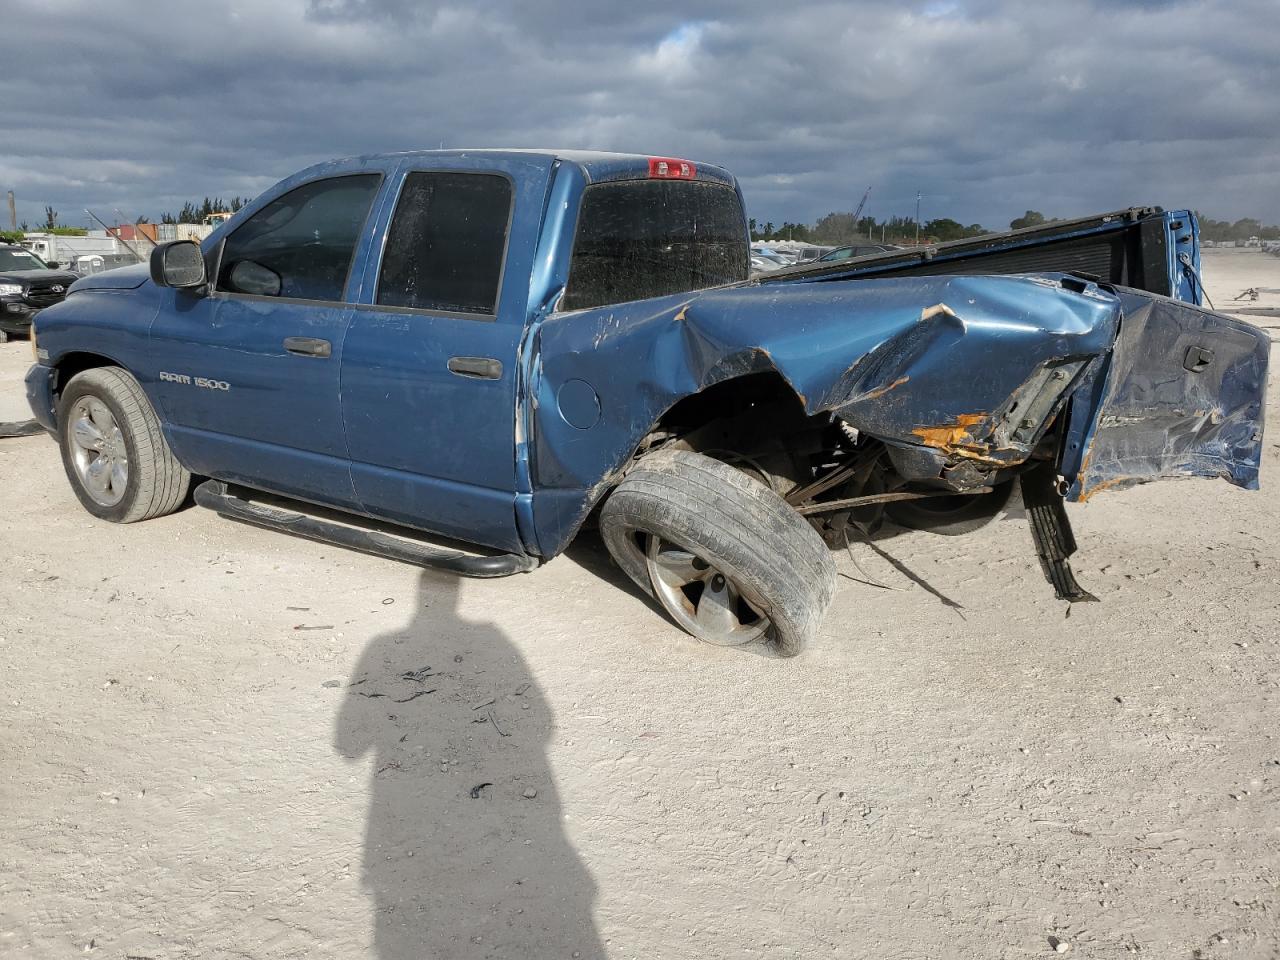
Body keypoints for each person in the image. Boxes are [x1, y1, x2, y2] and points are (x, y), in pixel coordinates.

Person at [335, 571, 603, 958]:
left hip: (403, 836)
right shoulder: (493, 635)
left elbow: (348, 747)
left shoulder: (383, 643)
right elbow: (543, 724)